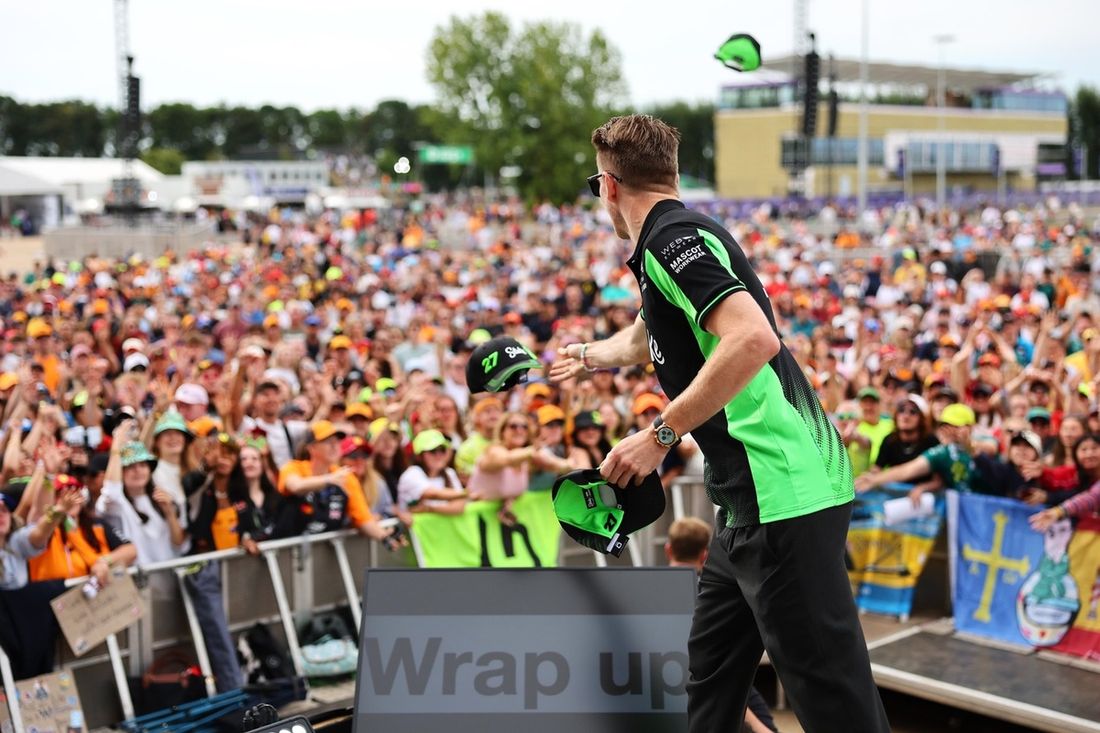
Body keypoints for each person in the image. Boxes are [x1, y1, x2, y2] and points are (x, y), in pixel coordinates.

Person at [552, 114, 888, 732]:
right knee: (709, 679)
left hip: (784, 498)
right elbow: (651, 333)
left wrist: (659, 435)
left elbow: (753, 338)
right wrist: (593, 355)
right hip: (745, 506)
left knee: (836, 704)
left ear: (608, 186)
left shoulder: (670, 241)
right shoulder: (676, 236)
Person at [664, 517, 778, 733]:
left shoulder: (648, 592)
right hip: (707, 681)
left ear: (668, 550)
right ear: (705, 555)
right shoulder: (716, 597)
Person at [277, 421, 394, 542]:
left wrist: (385, 537)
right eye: (327, 442)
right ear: (311, 447)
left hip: (323, 551)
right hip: (284, 552)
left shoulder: (345, 477)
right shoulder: (293, 467)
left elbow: (362, 518)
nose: (334, 446)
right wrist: (329, 479)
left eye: (337, 441)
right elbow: (295, 486)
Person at [396, 430, 469, 515]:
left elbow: (459, 507)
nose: (438, 455)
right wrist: (467, 493)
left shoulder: (449, 473)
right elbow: (433, 494)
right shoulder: (411, 474)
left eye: (442, 450)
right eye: (433, 451)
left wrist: (429, 509)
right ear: (420, 455)